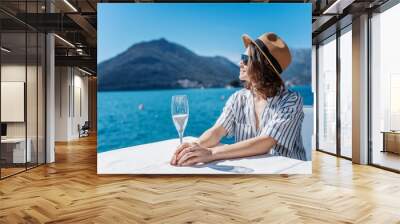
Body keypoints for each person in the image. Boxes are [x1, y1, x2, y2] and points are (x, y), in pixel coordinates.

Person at [170, 32, 306, 166]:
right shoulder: (238, 99)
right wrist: (193, 148)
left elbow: (265, 142)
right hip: (251, 172)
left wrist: (211, 154)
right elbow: (217, 131)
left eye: (246, 59)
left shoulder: (291, 101)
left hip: (286, 173)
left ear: (263, 67)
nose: (240, 62)